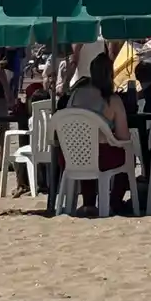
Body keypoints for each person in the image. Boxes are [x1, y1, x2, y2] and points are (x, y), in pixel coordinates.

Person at [63, 52, 132, 214]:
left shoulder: (76, 94)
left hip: (71, 155)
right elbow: (124, 137)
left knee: (88, 149)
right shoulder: (112, 100)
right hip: (100, 157)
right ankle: (114, 201)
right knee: (126, 153)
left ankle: (88, 201)